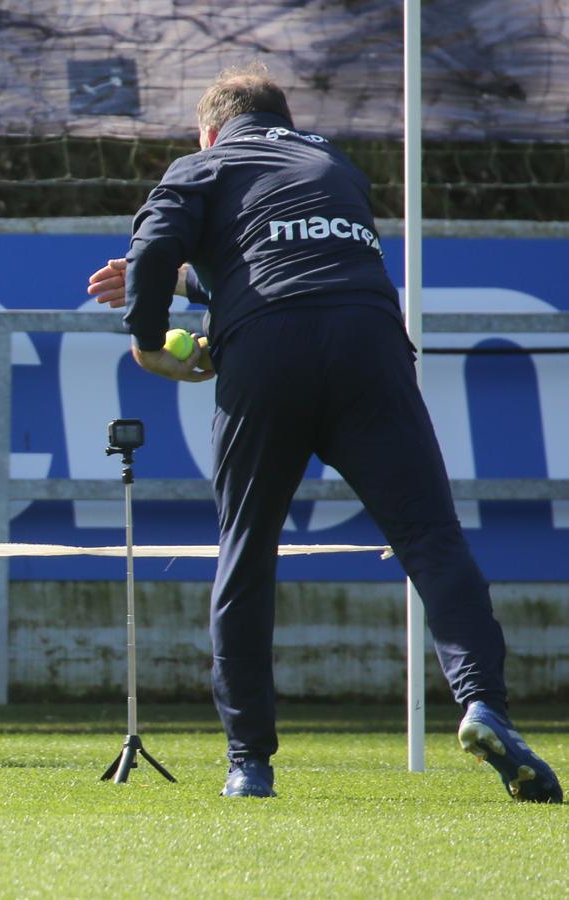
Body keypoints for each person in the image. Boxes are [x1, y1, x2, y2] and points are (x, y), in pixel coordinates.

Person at [86, 63, 560, 802]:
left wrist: (149, 340)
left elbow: (160, 248)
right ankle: (483, 705)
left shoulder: (202, 164)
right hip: (369, 345)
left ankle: (250, 763)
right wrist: (189, 282)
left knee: (248, 554)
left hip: (267, 352)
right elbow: (286, 249)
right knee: (432, 541)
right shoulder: (330, 161)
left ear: (210, 130)